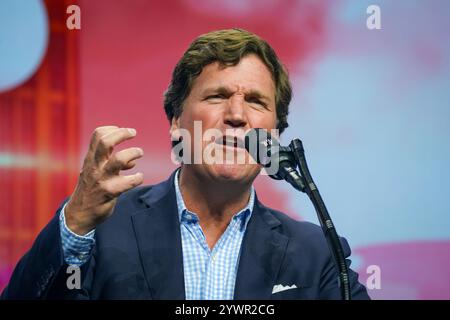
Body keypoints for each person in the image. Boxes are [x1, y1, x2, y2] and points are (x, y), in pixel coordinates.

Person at [1, 29, 369, 300]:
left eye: (256, 101)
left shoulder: (316, 253)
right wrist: (76, 221)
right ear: (177, 121)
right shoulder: (100, 229)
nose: (237, 115)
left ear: (274, 132)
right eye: (217, 96)